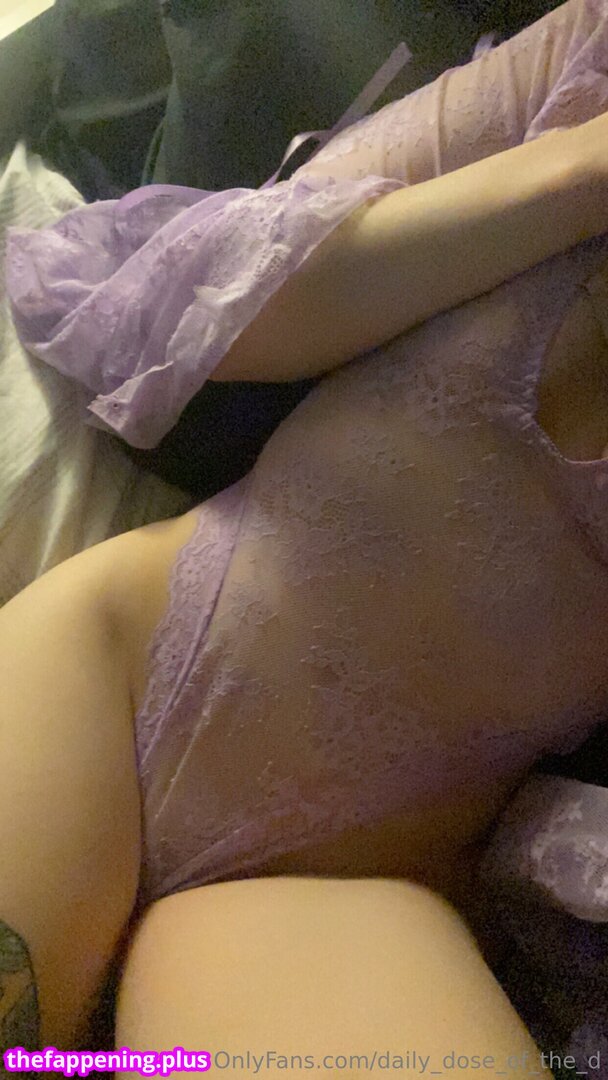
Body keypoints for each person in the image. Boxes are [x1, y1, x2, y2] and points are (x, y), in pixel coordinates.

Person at [3, 0, 608, 1069]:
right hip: (116, 668)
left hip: (343, 892)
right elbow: (230, 309)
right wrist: (578, 174)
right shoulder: (579, 59)